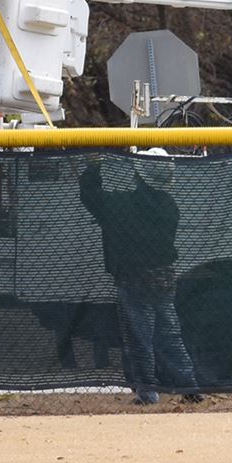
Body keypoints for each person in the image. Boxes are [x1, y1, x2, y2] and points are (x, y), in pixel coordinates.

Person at [78, 155, 204, 405]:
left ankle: (148, 393)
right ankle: (190, 386)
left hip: (132, 279)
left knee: (139, 338)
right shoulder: (170, 207)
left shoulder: (121, 205)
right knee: (171, 335)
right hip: (164, 279)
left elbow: (93, 197)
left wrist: (93, 168)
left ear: (139, 176)